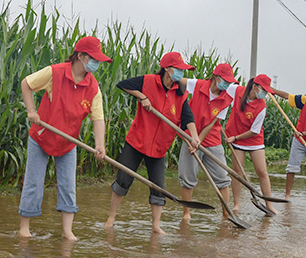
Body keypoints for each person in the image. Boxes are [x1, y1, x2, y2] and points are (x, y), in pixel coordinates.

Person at [18, 36, 111, 241]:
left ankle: (67, 231)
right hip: (41, 137)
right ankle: (24, 228)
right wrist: (31, 111)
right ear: (80, 56)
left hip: (68, 142)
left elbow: (98, 119)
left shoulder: (93, 87)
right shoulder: (55, 72)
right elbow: (26, 84)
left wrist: (100, 145)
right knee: (33, 183)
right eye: (93, 59)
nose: (96, 64)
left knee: (68, 186)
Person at [104, 52, 200, 234]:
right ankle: (111, 217)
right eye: (179, 69)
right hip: (137, 141)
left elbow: (187, 117)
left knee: (158, 187)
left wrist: (194, 137)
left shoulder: (180, 93)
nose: (181, 73)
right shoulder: (148, 81)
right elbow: (122, 85)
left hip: (159, 147)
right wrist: (142, 97)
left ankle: (156, 225)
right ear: (168, 69)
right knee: (123, 180)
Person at [178, 63, 239, 222]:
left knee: (221, 177)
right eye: (225, 80)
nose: (227, 84)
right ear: (216, 77)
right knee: (188, 177)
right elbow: (178, 81)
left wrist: (198, 141)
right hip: (188, 134)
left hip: (211, 139)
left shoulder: (227, 99)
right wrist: (191, 139)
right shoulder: (197, 85)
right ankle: (187, 213)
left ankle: (226, 215)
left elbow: (212, 124)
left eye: (229, 82)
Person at [224, 74, 277, 214]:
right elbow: (219, 91)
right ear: (255, 87)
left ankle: (269, 205)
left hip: (253, 140)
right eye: (263, 90)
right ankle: (236, 205)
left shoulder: (262, 106)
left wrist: (235, 137)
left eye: (266, 91)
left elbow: (254, 131)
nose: (264, 94)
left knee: (262, 172)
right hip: (236, 138)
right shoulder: (236, 91)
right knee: (238, 173)